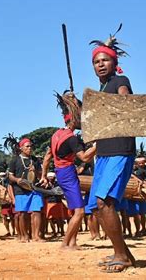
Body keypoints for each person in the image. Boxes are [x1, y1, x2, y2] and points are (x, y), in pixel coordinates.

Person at [85, 29, 137, 272]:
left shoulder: (119, 82)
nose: (100, 64)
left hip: (119, 149)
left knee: (104, 201)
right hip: (103, 152)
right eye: (96, 62)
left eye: (105, 60)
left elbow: (124, 102)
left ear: (115, 64)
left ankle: (121, 256)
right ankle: (125, 254)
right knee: (97, 207)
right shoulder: (102, 89)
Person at [41, 98, 97, 249]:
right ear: (73, 120)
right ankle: (65, 243)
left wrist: (43, 175)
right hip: (67, 174)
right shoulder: (72, 139)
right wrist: (98, 146)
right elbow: (84, 157)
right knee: (79, 211)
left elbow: (47, 157)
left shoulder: (56, 135)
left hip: (60, 172)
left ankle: (72, 241)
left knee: (75, 208)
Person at [8, 138, 44, 242]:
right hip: (20, 190)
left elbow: (41, 175)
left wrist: (36, 171)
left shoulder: (35, 160)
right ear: (21, 148)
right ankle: (24, 236)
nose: (30, 148)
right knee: (22, 214)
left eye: (31, 146)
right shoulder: (15, 160)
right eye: (27, 146)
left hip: (34, 189)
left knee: (37, 211)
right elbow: (10, 176)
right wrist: (17, 180)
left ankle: (36, 236)